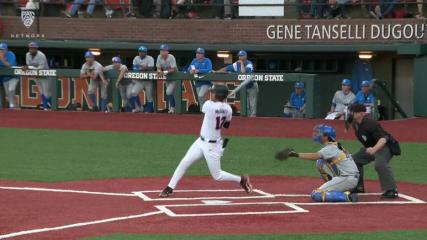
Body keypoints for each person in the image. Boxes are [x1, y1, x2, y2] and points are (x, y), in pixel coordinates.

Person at [159, 84, 253, 197]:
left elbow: (211, 107)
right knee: (184, 162)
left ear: (217, 95)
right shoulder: (228, 109)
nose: (211, 94)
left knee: (217, 176)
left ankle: (241, 180)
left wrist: (220, 105)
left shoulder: (208, 105)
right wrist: (223, 106)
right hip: (201, 141)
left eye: (213, 93)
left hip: (212, 146)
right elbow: (226, 126)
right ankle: (170, 187)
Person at [276, 124, 359, 202]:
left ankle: (347, 197)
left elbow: (315, 156)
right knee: (320, 162)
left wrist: (295, 154)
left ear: (326, 136)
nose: (317, 134)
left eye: (320, 133)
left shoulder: (331, 148)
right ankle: (335, 187)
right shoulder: (334, 145)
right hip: (348, 177)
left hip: (347, 178)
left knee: (316, 194)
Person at [347, 104, 400, 198]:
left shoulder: (370, 123)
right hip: (372, 147)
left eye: (353, 112)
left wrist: (374, 149)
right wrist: (368, 149)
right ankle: (358, 186)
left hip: (385, 146)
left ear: (362, 113)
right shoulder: (355, 124)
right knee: (354, 160)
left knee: (380, 164)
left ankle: (391, 190)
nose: (351, 113)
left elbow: (383, 139)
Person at [216, 50, 258, 117]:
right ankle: (247, 118)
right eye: (239, 56)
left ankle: (253, 117)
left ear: (245, 56)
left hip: (251, 85)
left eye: (241, 56)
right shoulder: (236, 64)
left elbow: (243, 73)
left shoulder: (249, 63)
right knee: (245, 104)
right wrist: (216, 71)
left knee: (252, 103)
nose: (240, 57)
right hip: (243, 86)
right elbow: (226, 68)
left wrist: (241, 63)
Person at [25, 42, 51, 110]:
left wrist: (30, 68)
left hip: (44, 75)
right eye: (30, 48)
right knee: (41, 90)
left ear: (36, 49)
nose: (31, 50)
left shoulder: (41, 55)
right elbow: (28, 65)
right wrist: (27, 67)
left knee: (46, 91)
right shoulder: (27, 55)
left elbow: (41, 68)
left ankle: (49, 105)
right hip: (35, 75)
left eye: (33, 48)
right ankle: (45, 105)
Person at [130, 46, 155, 113]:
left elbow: (151, 68)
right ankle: (139, 107)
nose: (141, 53)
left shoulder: (150, 58)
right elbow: (134, 68)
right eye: (140, 52)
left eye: (143, 52)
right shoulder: (136, 58)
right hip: (139, 80)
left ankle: (150, 109)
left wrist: (141, 67)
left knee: (149, 96)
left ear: (146, 52)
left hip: (148, 80)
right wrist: (144, 67)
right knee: (133, 92)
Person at [156, 44, 178, 113]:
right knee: (169, 93)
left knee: (169, 92)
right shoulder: (159, 57)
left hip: (175, 77)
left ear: (167, 51)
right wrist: (159, 71)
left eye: (164, 50)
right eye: (161, 50)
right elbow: (158, 67)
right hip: (168, 77)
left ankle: (173, 108)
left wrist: (163, 72)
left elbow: (173, 69)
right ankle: (172, 108)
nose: (162, 52)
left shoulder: (171, 57)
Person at [0, 43, 19, 109]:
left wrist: (2, 58)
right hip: (5, 78)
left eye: (2, 49)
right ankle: (14, 105)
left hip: (13, 77)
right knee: (8, 94)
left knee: (11, 89)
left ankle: (12, 105)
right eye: (0, 50)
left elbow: (9, 65)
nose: (1, 51)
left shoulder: (11, 54)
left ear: (6, 50)